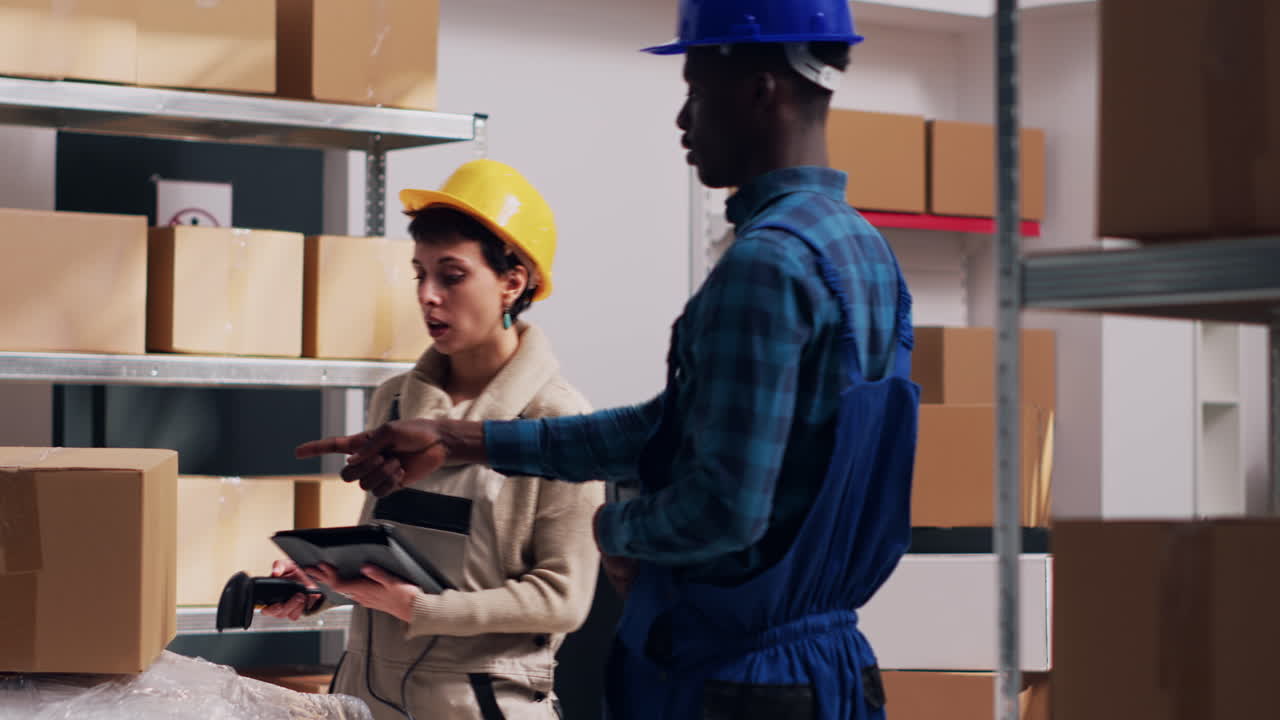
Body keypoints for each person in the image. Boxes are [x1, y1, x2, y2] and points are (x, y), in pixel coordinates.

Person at [299, 1, 920, 718]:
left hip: (736, 678)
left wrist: (616, 531)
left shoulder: (767, 265)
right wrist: (459, 438)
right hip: (817, 669)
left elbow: (727, 508)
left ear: (759, 90)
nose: (684, 121)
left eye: (695, 91)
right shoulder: (862, 252)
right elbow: (673, 426)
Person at [267, 159, 604, 720]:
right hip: (366, 696)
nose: (428, 295)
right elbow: (389, 543)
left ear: (512, 282)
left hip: (478, 705)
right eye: (419, 273)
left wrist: (422, 609)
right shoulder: (395, 400)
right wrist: (324, 580)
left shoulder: (559, 422)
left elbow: (562, 600)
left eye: (451, 275)